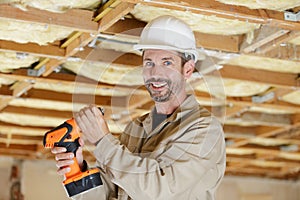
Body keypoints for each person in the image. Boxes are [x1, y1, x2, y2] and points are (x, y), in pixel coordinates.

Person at [51, 15, 226, 200]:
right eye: (149, 63)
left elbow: (159, 191)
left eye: (167, 63)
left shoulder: (205, 130)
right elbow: (112, 193)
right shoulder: (137, 128)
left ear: (188, 70)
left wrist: (103, 141)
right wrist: (78, 171)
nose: (156, 73)